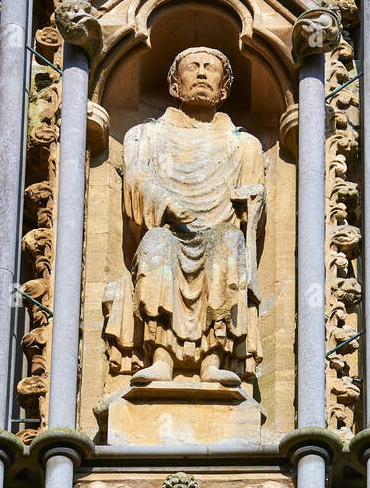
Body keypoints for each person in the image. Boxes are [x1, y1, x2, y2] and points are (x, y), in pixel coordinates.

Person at [105, 46, 265, 387]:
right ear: (175, 85)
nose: (203, 73)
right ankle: (160, 357)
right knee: (156, 243)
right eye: (193, 66)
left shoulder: (245, 145)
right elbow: (136, 178)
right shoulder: (144, 135)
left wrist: (253, 202)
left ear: (224, 88)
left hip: (219, 235)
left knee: (228, 243)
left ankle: (213, 360)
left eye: (212, 68)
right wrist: (167, 204)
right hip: (170, 231)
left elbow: (252, 204)